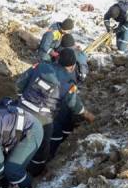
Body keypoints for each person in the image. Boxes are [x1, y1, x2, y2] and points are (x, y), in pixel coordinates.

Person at [16, 48, 95, 176]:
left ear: (58, 59)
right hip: (42, 118)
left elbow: (19, 83)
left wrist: (21, 99)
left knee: (14, 139)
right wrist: (86, 114)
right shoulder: (68, 83)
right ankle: (34, 172)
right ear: (73, 66)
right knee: (42, 149)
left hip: (20, 109)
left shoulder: (39, 66)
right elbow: (74, 105)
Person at [49, 34, 89, 158]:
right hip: (58, 103)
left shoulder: (61, 55)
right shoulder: (78, 54)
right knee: (64, 115)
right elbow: (73, 102)